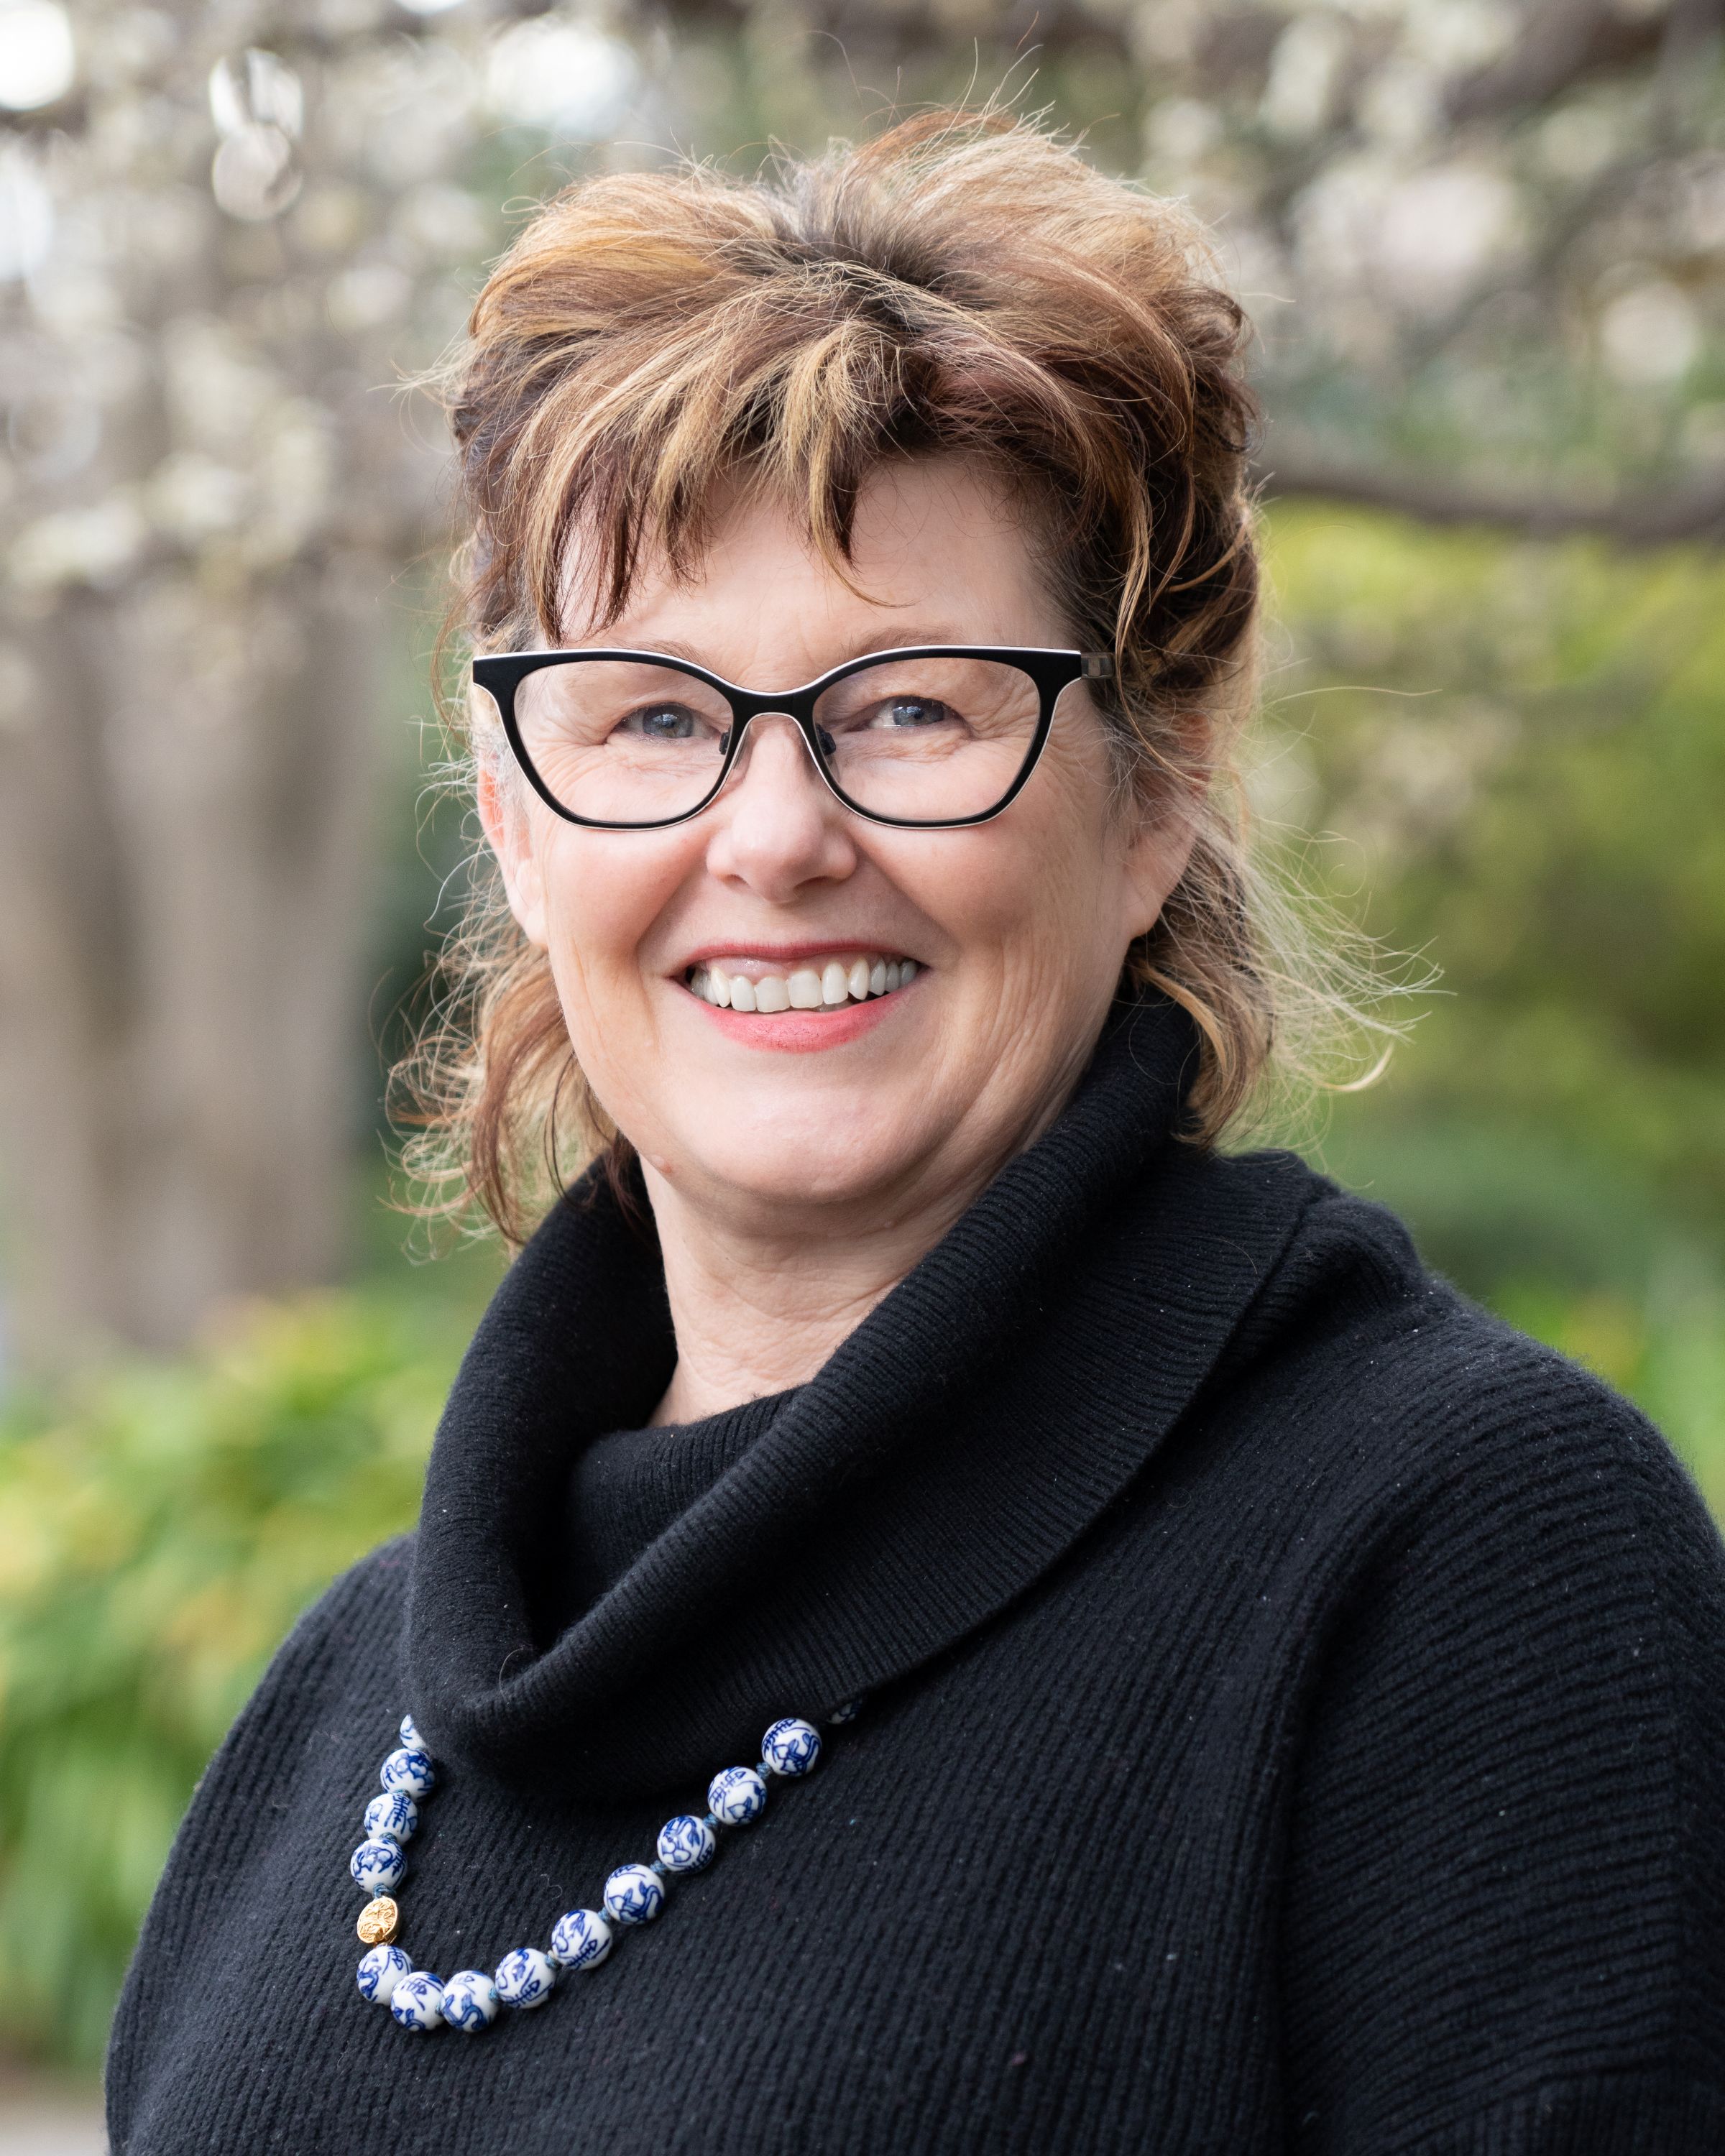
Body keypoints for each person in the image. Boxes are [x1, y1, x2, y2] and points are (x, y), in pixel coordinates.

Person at [107, 110, 1725, 2155]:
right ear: (516, 823)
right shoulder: (344, 1714)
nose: (775, 838)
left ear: (1156, 795)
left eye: (913, 710)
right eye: (653, 718)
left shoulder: (1455, 1563)